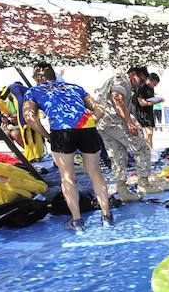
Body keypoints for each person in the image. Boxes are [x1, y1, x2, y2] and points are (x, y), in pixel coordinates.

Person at [22, 62, 113, 232]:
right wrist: (90, 122)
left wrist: (48, 136)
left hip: (61, 131)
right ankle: (106, 216)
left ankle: (77, 221)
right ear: (54, 76)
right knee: (95, 172)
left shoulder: (33, 91)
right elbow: (100, 108)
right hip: (87, 128)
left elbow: (30, 118)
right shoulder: (75, 87)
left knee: (67, 176)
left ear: (37, 78)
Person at [96, 66, 159, 202]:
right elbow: (117, 100)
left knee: (118, 156)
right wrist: (130, 122)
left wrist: (131, 120)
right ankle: (143, 184)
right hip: (114, 122)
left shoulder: (121, 84)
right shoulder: (121, 82)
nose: (141, 84)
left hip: (104, 124)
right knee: (142, 149)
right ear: (132, 74)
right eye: (140, 80)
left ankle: (123, 191)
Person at [134, 73, 161, 149]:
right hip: (143, 113)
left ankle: (150, 149)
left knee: (150, 134)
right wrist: (155, 102)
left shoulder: (151, 89)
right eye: (154, 83)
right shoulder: (141, 88)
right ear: (150, 80)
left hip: (150, 113)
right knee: (148, 133)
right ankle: (147, 149)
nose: (155, 85)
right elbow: (142, 103)